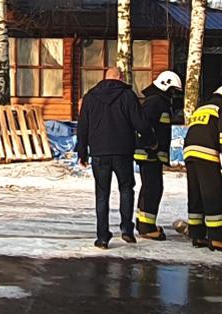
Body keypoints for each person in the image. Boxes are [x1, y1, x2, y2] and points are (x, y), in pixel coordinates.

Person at [77, 67, 147, 249]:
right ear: (120, 78)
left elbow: (83, 126)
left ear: (105, 77)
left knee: (102, 194)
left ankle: (102, 237)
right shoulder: (128, 95)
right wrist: (151, 141)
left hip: (99, 152)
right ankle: (127, 229)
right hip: (123, 151)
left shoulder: (90, 97)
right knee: (126, 188)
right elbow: (139, 122)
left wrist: (82, 152)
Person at [183, 84, 222, 252]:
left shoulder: (202, 108)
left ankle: (197, 235)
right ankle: (217, 238)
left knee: (196, 195)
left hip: (189, 153)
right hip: (206, 154)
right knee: (213, 194)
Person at [134, 70, 182, 240]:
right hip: (150, 154)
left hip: (151, 154)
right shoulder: (156, 102)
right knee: (153, 189)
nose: (174, 95)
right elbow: (144, 125)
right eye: (173, 91)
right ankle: (147, 228)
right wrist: (152, 145)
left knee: (149, 188)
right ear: (165, 86)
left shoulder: (156, 101)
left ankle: (143, 223)